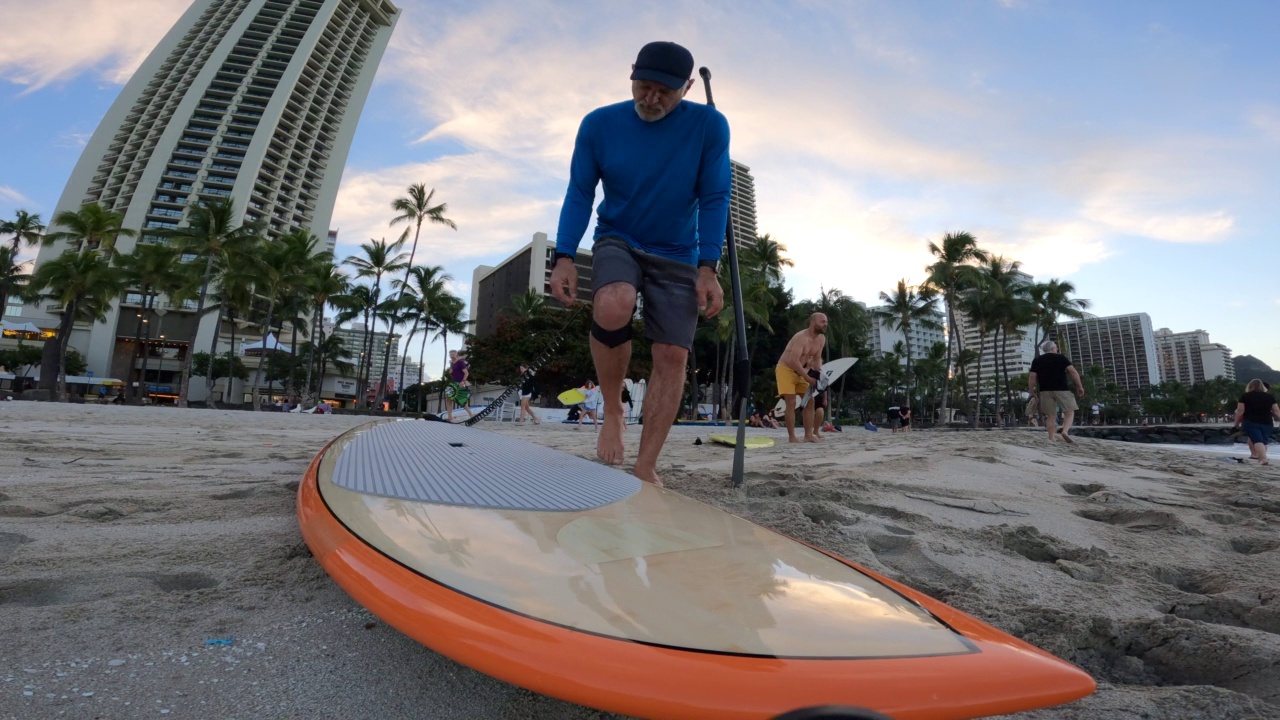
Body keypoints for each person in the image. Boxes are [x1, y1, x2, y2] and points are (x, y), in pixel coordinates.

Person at [548, 40, 731, 485]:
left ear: (687, 87)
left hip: (677, 251)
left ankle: (646, 464)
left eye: (664, 91)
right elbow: (579, 193)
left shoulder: (710, 126)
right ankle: (612, 409)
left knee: (672, 354)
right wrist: (565, 256)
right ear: (631, 74)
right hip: (619, 238)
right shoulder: (598, 124)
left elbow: (715, 196)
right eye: (643, 86)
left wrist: (709, 266)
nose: (651, 99)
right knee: (613, 303)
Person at [774, 313, 827, 443]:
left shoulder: (821, 339)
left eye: (826, 322)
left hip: (802, 370)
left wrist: (820, 374)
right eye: (822, 322)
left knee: (810, 401)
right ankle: (792, 436)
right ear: (813, 322)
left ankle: (808, 434)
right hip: (785, 369)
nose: (825, 324)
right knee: (791, 402)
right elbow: (793, 361)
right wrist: (808, 378)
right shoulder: (801, 337)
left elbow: (816, 360)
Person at [1028, 340, 1085, 443]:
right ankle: (1065, 431)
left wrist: (1031, 391)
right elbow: (1073, 372)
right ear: (1053, 348)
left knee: (1051, 415)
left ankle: (1051, 438)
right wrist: (1079, 386)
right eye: (1056, 348)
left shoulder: (1037, 360)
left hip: (1045, 390)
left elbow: (1032, 377)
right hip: (1062, 389)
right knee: (1069, 411)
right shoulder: (1061, 358)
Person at [1234, 378, 1280, 465]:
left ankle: (1263, 459)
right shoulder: (1269, 397)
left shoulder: (1245, 396)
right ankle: (1262, 458)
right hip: (1267, 423)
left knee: (1257, 440)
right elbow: (1276, 411)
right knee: (1264, 441)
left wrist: (1236, 423)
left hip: (1251, 422)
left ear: (1250, 386)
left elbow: (1240, 411)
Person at [447, 350, 473, 420]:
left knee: (462, 400)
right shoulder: (453, 364)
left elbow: (466, 373)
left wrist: (463, 381)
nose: (452, 356)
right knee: (449, 399)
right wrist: (450, 372)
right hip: (453, 383)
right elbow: (453, 374)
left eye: (453, 354)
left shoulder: (460, 363)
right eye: (451, 354)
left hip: (459, 383)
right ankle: (450, 416)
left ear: (456, 355)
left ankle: (471, 415)